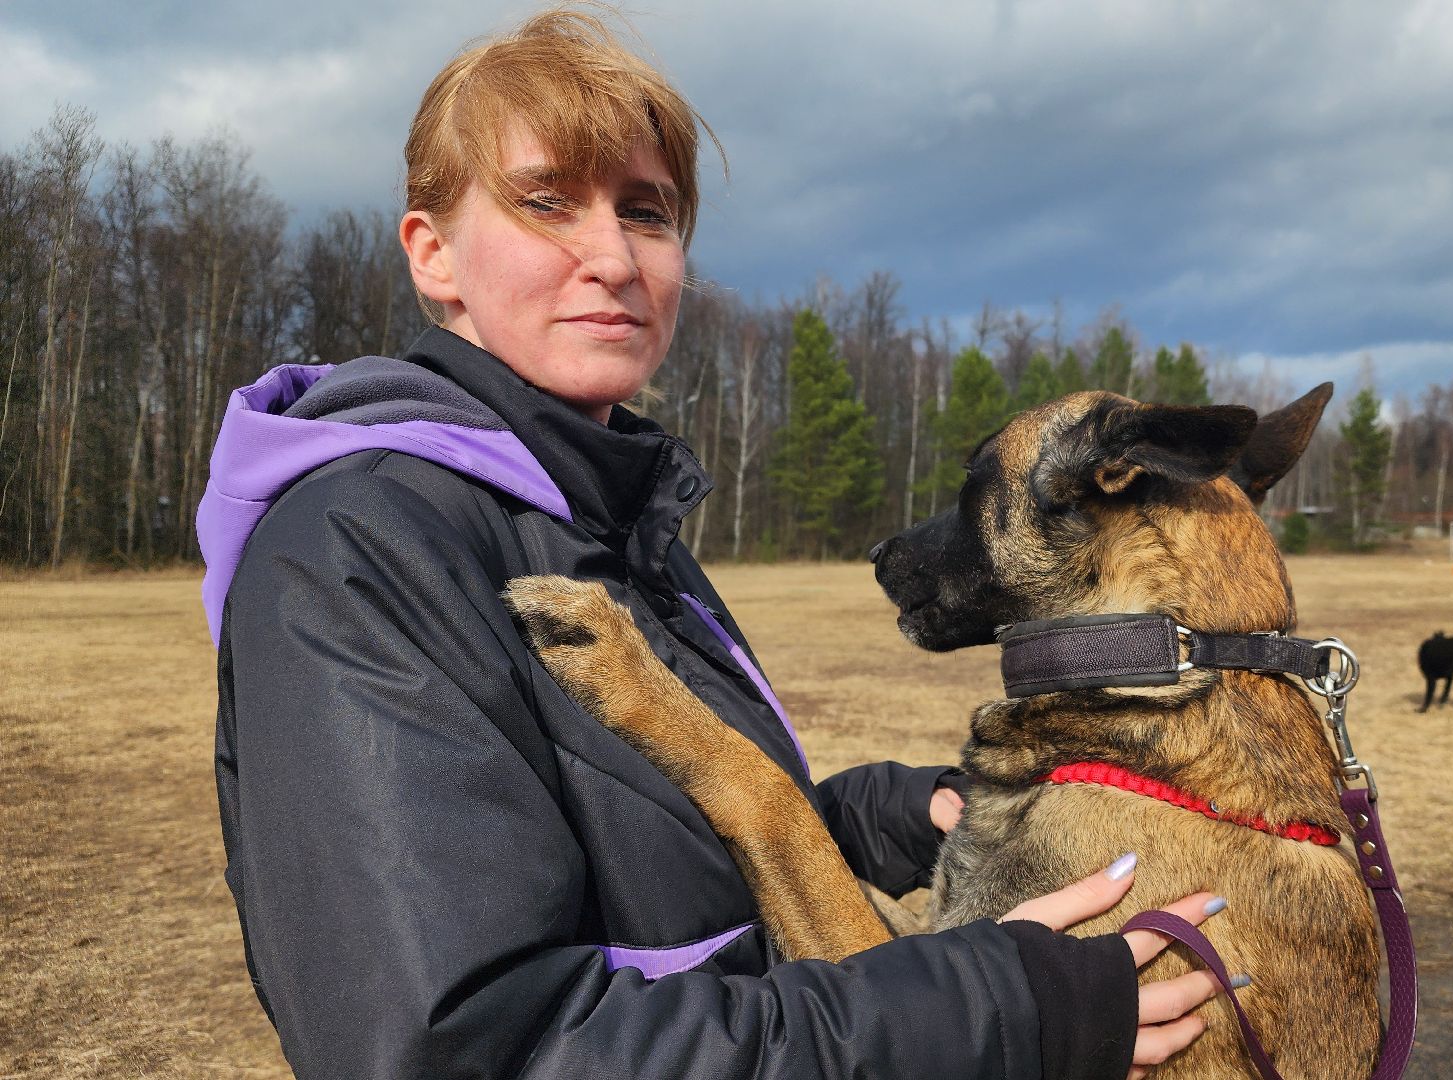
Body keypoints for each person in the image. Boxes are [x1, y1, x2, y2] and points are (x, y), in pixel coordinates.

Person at [200, 9, 1227, 1079]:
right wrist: (999, 1011)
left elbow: (661, 865)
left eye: (644, 212)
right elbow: (475, 1050)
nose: (610, 255)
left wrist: (890, 816)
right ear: (433, 254)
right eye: (546, 201)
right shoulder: (358, 548)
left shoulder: (604, 520)